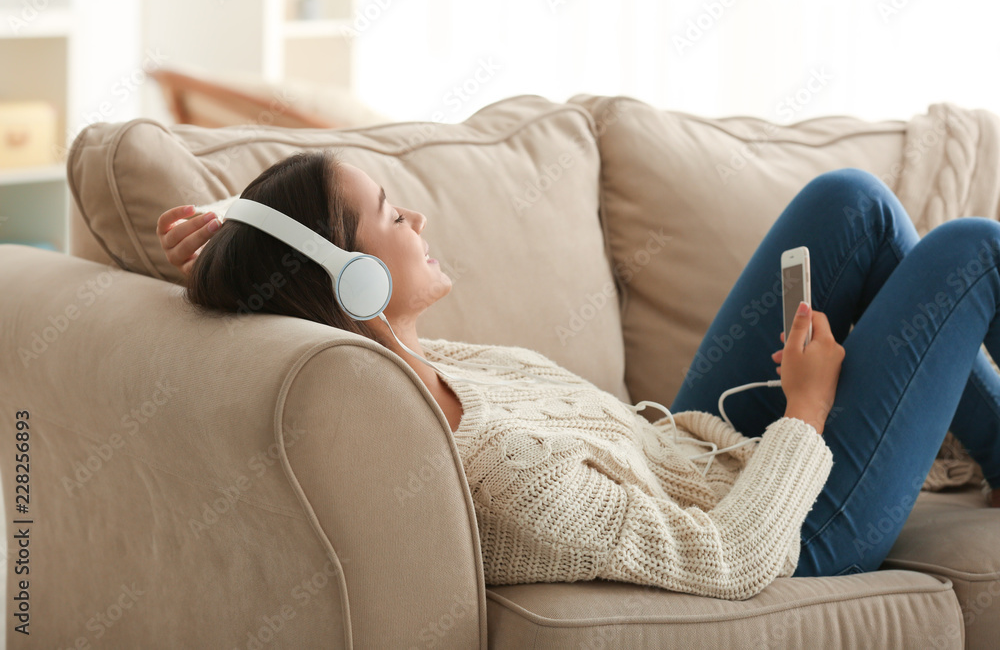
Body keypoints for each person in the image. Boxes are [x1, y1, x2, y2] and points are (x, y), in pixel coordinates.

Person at [157, 150, 1000, 600]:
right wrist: (807, 411)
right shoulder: (504, 476)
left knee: (850, 202)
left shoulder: (402, 363)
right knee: (974, 250)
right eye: (388, 214)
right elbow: (733, 557)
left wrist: (228, 244)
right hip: (794, 529)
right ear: (353, 283)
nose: (417, 217)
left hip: (688, 451)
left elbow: (277, 320)